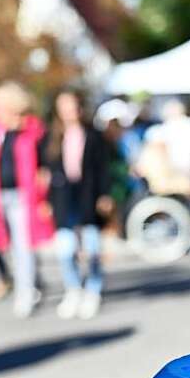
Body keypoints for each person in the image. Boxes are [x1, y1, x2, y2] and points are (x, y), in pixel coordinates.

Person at [0, 82, 53, 318]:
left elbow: (44, 166)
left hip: (24, 197)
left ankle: (25, 292)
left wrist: (44, 197)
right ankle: (30, 283)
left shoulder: (33, 131)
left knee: (23, 246)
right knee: (7, 245)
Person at [41, 90, 113, 319]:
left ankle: (93, 290)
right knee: (65, 249)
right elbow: (47, 172)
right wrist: (46, 200)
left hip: (87, 196)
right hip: (63, 197)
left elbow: (103, 169)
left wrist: (104, 194)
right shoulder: (52, 137)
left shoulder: (94, 136)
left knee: (91, 248)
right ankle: (73, 289)